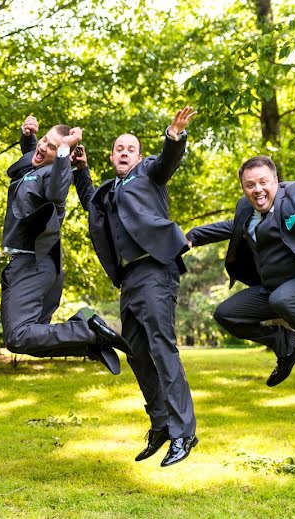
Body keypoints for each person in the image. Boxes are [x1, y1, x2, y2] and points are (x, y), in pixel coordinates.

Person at [73, 106, 198, 467]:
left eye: (130, 148)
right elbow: (90, 202)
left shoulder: (149, 173)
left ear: (139, 156)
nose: (124, 151)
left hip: (156, 271)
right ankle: (160, 425)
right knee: (137, 353)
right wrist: (81, 170)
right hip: (128, 280)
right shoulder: (110, 191)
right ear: (111, 157)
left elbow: (168, 162)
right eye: (118, 148)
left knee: (162, 349)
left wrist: (174, 136)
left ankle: (183, 432)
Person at [186, 156, 295, 400]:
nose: (257, 189)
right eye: (250, 185)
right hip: (278, 289)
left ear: (276, 181)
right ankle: (286, 346)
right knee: (226, 314)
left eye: (263, 182)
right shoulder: (246, 208)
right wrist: (193, 236)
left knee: (283, 299)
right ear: (243, 188)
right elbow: (233, 227)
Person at [0, 116, 127, 374]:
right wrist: (29, 136)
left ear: (63, 157)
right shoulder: (34, 168)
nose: (43, 146)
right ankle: (88, 343)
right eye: (45, 140)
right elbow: (33, 155)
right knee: (31, 339)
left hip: (32, 264)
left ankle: (86, 329)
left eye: (52, 147)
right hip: (43, 266)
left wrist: (64, 152)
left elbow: (57, 191)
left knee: (17, 336)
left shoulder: (54, 175)